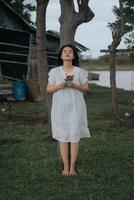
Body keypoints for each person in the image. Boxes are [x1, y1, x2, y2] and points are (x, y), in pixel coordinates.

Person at [46, 44, 90, 176]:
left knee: (75, 137)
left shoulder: (80, 71)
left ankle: (73, 168)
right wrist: (60, 85)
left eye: (70, 52)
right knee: (63, 137)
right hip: (60, 108)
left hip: (76, 108)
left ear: (74, 55)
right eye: (64, 51)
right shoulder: (54, 72)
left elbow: (86, 89)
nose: (67, 53)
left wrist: (74, 85)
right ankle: (65, 167)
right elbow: (48, 89)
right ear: (61, 55)